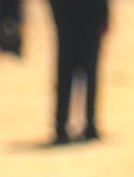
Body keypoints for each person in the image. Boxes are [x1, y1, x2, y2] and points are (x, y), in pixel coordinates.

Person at [47, 0, 110, 144]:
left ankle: (65, 125)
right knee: (84, 75)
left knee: (67, 75)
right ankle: (84, 125)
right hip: (84, 21)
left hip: (73, 22)